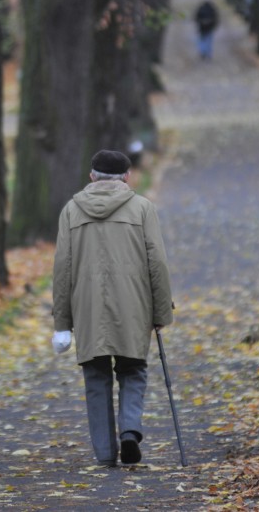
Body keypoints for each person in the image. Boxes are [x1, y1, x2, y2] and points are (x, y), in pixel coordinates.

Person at [51, 149, 174, 467]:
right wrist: (161, 312)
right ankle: (130, 431)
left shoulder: (71, 211)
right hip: (134, 306)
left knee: (96, 376)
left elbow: (62, 268)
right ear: (127, 177)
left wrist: (61, 323)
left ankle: (105, 455)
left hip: (88, 308)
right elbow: (157, 262)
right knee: (133, 371)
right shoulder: (142, 208)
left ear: (92, 177)